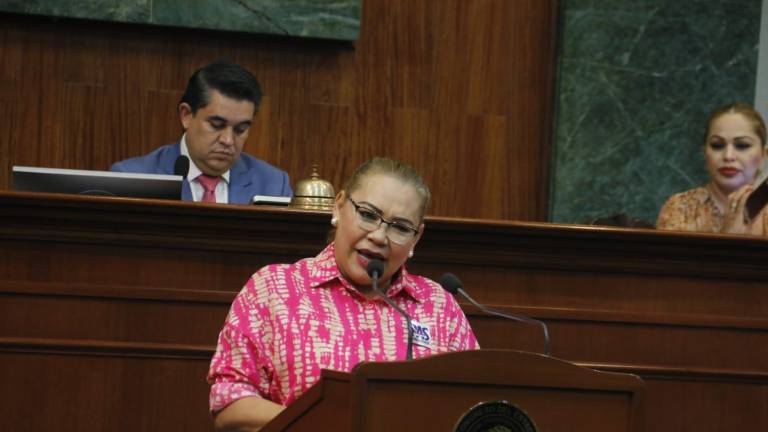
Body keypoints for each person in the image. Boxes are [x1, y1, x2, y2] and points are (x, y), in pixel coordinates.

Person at [207, 157, 479, 431]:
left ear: (416, 238)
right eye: (368, 215)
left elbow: (476, 406)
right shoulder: (274, 288)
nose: (379, 236)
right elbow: (230, 404)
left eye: (400, 227)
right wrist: (329, 425)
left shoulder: (439, 307)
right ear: (338, 207)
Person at [110, 60, 292, 204]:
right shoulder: (132, 180)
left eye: (240, 129)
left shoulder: (274, 185)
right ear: (186, 115)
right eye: (217, 125)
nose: (228, 140)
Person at [657, 102, 768, 235]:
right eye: (717, 145)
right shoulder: (680, 208)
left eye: (742, 145)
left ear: (763, 155)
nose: (728, 156)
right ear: (705, 152)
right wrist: (728, 235)